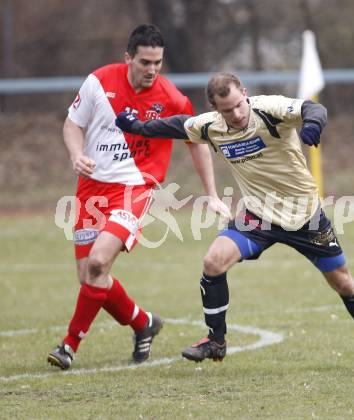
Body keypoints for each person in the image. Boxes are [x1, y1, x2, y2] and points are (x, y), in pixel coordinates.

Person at [115, 72, 354, 364]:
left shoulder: (270, 110)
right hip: (258, 216)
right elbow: (176, 125)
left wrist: (313, 124)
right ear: (216, 109)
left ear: (245, 93)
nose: (236, 114)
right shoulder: (210, 126)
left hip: (304, 216)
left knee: (342, 282)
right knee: (213, 262)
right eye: (227, 110)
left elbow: (314, 109)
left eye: (239, 104)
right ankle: (216, 341)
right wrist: (137, 126)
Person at [48, 25, 229, 370]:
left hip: (135, 189)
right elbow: (72, 124)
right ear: (128, 57)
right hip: (90, 190)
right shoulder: (99, 82)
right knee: (90, 277)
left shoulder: (172, 98)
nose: (152, 70)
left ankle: (68, 346)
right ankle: (143, 323)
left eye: (158, 63)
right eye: (145, 62)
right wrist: (75, 155)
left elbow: (197, 141)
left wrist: (211, 194)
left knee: (99, 263)